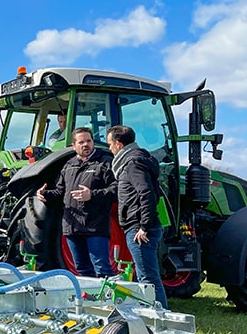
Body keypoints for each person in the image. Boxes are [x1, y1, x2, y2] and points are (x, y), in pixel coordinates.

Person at [36, 127, 116, 278]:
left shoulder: (105, 163)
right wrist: (45, 194)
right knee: (82, 270)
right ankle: (91, 301)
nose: (86, 145)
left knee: (102, 270)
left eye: (88, 141)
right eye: (81, 142)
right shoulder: (68, 165)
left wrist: (91, 195)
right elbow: (60, 192)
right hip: (72, 227)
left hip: (95, 226)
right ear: (74, 146)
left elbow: (116, 189)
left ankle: (111, 301)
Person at [106, 125, 168, 308]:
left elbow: (147, 193)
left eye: (110, 144)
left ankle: (161, 316)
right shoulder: (134, 161)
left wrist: (144, 226)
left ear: (118, 144)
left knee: (148, 277)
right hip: (137, 225)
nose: (109, 149)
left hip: (139, 229)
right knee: (146, 275)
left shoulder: (132, 163)